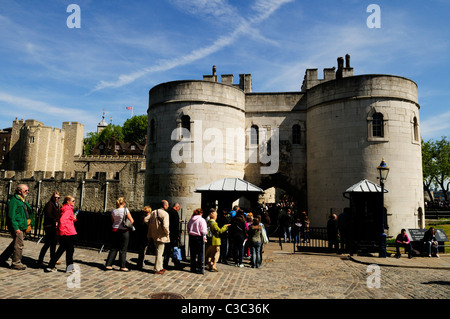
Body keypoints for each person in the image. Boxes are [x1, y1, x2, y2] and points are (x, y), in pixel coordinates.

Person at [0, 184, 35, 270]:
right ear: (19, 191)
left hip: (22, 225)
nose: (27, 192)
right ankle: (16, 263)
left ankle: (1, 259)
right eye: (25, 190)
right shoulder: (14, 201)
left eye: (27, 190)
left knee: (14, 244)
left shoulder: (21, 200)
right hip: (17, 227)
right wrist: (16, 228)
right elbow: (11, 216)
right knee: (19, 245)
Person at [45, 195, 77, 272]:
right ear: (68, 202)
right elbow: (62, 221)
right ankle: (69, 268)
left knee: (61, 250)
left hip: (66, 232)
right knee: (69, 251)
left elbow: (65, 220)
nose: (74, 202)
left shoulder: (65, 208)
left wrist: (73, 219)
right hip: (68, 233)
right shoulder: (68, 209)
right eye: (73, 201)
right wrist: (62, 232)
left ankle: (51, 265)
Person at [104, 197, 134, 271]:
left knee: (113, 248)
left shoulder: (113, 211)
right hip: (124, 231)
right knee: (123, 249)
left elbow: (113, 220)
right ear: (123, 203)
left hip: (115, 230)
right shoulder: (125, 210)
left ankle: (108, 264)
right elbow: (132, 220)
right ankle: (122, 266)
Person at [146, 200, 170, 274]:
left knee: (159, 251)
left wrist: (152, 226)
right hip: (161, 235)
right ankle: (157, 268)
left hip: (154, 234)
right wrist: (167, 232)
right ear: (165, 205)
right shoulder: (165, 214)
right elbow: (166, 226)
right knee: (159, 252)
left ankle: (160, 267)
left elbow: (145, 219)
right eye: (167, 205)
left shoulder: (154, 212)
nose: (168, 206)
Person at [37, 191, 61, 267]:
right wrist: (55, 221)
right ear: (52, 197)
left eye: (58, 197)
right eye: (55, 197)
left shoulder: (56, 204)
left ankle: (53, 259)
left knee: (53, 244)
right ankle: (40, 260)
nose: (56, 198)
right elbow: (48, 215)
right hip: (49, 226)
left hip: (53, 227)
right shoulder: (50, 204)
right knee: (47, 244)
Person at [187, 208, 207, 274]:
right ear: (201, 213)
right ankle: (200, 269)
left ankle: (193, 268)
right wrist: (205, 238)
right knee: (200, 254)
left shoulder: (191, 220)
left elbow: (188, 228)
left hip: (191, 237)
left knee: (193, 253)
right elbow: (203, 231)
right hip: (199, 237)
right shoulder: (201, 220)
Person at [163, 202, 182, 270]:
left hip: (168, 234)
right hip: (173, 235)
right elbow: (175, 226)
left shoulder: (168, 212)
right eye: (179, 208)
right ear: (177, 207)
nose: (179, 209)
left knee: (167, 250)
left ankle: (165, 263)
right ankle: (176, 263)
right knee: (175, 249)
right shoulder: (175, 213)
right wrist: (177, 235)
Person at [136, 206, 152, 270]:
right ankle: (141, 263)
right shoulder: (144, 218)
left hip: (140, 235)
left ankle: (140, 263)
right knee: (143, 250)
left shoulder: (140, 216)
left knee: (142, 250)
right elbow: (145, 227)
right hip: (143, 236)